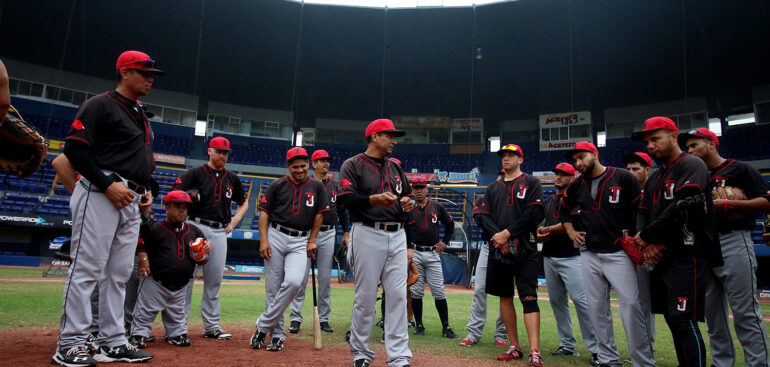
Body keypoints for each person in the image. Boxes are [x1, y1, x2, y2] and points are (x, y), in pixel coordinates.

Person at [52, 50, 161, 366]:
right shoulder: (100, 104)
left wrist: (146, 190)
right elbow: (73, 149)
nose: (150, 78)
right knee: (86, 269)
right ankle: (70, 343)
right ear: (125, 72)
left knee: (118, 274)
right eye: (144, 72)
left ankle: (112, 341)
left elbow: (136, 162)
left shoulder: (139, 113)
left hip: (129, 198)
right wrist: (105, 183)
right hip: (101, 192)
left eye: (152, 73)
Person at [632, 117, 720, 367]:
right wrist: (645, 243)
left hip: (686, 255)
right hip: (661, 258)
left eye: (655, 139)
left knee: (685, 319)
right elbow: (643, 211)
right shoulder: (656, 176)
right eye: (648, 141)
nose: (650, 145)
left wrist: (650, 238)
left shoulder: (691, 164)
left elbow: (686, 206)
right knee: (673, 318)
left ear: (673, 136)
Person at [679, 127, 770, 367]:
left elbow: (766, 201)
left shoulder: (739, 168)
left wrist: (729, 204)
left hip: (732, 238)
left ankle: (758, 364)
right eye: (687, 147)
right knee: (713, 317)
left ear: (711, 143)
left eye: (694, 145)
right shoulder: (692, 174)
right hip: (703, 244)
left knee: (745, 313)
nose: (690, 150)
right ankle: (721, 363)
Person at [559, 141, 654, 367]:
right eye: (575, 160)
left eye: (582, 157)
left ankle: (643, 361)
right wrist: (570, 230)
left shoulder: (622, 177)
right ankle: (608, 359)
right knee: (597, 308)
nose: (578, 163)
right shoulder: (576, 185)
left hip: (620, 251)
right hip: (590, 252)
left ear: (594, 154)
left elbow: (640, 210)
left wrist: (639, 238)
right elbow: (563, 209)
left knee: (631, 306)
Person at [338, 118, 414, 367]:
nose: (394, 141)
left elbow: (408, 198)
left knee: (398, 297)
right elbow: (346, 200)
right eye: (389, 136)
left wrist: (407, 204)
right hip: (367, 232)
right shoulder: (353, 164)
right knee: (366, 296)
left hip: (397, 233)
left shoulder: (395, 167)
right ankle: (361, 352)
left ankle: (399, 355)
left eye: (395, 137)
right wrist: (374, 200)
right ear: (373, 136)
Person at [250, 147, 328, 352]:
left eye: (303, 166)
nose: (300, 170)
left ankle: (262, 325)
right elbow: (264, 213)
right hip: (276, 235)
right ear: (288, 167)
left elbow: (320, 215)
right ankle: (276, 335)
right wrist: (263, 241)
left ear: (308, 165)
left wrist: (313, 240)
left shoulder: (317, 186)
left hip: (301, 240)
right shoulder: (277, 185)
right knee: (273, 289)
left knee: (293, 282)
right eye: (295, 167)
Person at [174, 136, 249, 340]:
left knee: (214, 281)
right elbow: (174, 192)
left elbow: (244, 202)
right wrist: (188, 198)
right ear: (209, 151)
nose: (222, 155)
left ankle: (211, 326)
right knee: (187, 278)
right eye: (219, 151)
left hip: (219, 231)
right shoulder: (196, 173)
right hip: (195, 226)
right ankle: (179, 327)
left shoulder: (232, 178)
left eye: (225, 152)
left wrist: (235, 221)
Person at [477, 144, 544, 366]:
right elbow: (483, 216)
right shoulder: (493, 187)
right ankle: (514, 346)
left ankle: (535, 350)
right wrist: (499, 237)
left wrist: (507, 234)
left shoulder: (531, 182)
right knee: (505, 297)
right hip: (499, 250)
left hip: (525, 248)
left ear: (520, 159)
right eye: (503, 155)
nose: (506, 158)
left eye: (511, 155)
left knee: (528, 297)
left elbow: (533, 213)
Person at [128, 190, 208, 349]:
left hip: (181, 285)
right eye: (177, 206)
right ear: (167, 209)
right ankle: (138, 334)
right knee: (145, 312)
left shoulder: (194, 231)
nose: (182, 210)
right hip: (156, 281)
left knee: (177, 315)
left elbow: (203, 256)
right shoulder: (156, 228)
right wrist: (143, 260)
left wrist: (204, 253)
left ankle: (176, 334)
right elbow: (141, 244)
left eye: (184, 208)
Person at [537, 162, 599, 365]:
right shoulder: (549, 201)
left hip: (573, 256)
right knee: (556, 302)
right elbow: (544, 226)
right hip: (550, 255)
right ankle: (567, 344)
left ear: (572, 178)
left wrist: (548, 230)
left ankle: (597, 348)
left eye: (564, 174)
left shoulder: (578, 200)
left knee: (582, 302)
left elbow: (573, 225)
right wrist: (540, 233)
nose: (559, 177)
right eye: (557, 173)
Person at [288, 149, 350, 334]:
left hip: (329, 232)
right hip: (306, 233)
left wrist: (346, 232)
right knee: (299, 277)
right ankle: (295, 318)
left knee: (325, 280)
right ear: (313, 164)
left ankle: (323, 319)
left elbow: (342, 211)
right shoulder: (306, 184)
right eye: (322, 161)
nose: (326, 163)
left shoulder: (336, 185)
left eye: (327, 161)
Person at [408, 176, 459, 339]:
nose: (419, 191)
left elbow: (450, 224)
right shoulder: (408, 207)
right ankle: (419, 325)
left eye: (421, 187)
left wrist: (445, 241)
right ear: (412, 190)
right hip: (415, 252)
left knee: (439, 291)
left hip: (432, 253)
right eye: (416, 188)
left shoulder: (436, 206)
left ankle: (446, 327)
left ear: (427, 189)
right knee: (416, 292)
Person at [458, 194, 508, 348]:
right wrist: (501, 232)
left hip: (509, 246)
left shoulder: (512, 198)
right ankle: (473, 333)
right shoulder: (485, 196)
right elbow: (479, 219)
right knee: (479, 288)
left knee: (505, 293)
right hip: (488, 246)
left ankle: (502, 334)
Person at [620, 151, 656, 353]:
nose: (631, 172)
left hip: (659, 251)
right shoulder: (627, 194)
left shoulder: (655, 189)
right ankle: (645, 349)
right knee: (640, 304)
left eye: (636, 169)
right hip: (635, 254)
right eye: (629, 169)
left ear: (647, 169)